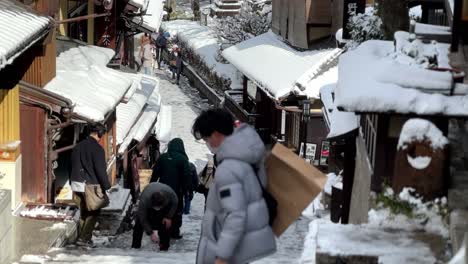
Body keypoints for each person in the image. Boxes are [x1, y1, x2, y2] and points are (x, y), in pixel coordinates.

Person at [192, 108, 277, 264]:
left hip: (224, 251)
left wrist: (222, 256)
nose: (207, 144)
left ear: (216, 134)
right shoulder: (247, 157)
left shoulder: (229, 168)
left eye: (206, 138)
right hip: (239, 247)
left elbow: (236, 215)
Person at [70, 123, 111, 247]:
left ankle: (83, 237)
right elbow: (100, 170)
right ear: (99, 134)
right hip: (90, 184)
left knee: (83, 211)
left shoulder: (77, 147)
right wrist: (106, 185)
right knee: (93, 212)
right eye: (101, 135)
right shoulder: (97, 149)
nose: (101, 137)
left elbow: (70, 166)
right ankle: (84, 238)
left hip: (76, 183)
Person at [150, 138, 192, 239]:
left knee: (162, 209)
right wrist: (188, 190)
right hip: (177, 191)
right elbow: (187, 176)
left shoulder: (162, 157)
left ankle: (163, 231)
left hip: (162, 190)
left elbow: (155, 173)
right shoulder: (183, 159)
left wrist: (152, 185)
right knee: (176, 211)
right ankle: (174, 232)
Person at [131, 182, 178, 251]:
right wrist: (151, 233)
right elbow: (143, 218)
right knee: (139, 224)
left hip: (164, 200)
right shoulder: (144, 200)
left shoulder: (170, 194)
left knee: (165, 223)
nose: (157, 209)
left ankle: (164, 247)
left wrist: (169, 216)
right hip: (148, 199)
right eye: (156, 207)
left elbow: (175, 202)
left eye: (159, 207)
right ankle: (135, 247)